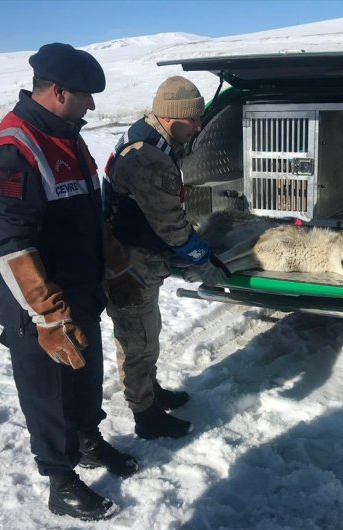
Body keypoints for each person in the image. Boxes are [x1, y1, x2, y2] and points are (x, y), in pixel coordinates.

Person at [0, 42, 139, 521]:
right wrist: (48, 314)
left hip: (81, 294)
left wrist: (118, 268)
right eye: (86, 95)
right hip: (39, 307)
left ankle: (88, 440)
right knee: (48, 392)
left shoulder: (69, 137)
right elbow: (12, 245)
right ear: (59, 90)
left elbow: (92, 215)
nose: (92, 105)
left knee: (85, 379)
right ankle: (60, 480)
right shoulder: (11, 151)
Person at [101, 76, 229, 440]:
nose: (200, 127)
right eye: (194, 121)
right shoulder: (148, 158)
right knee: (137, 342)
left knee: (146, 336)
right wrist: (203, 261)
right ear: (174, 120)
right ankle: (145, 415)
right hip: (128, 266)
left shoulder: (150, 137)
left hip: (137, 257)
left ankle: (150, 392)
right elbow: (171, 227)